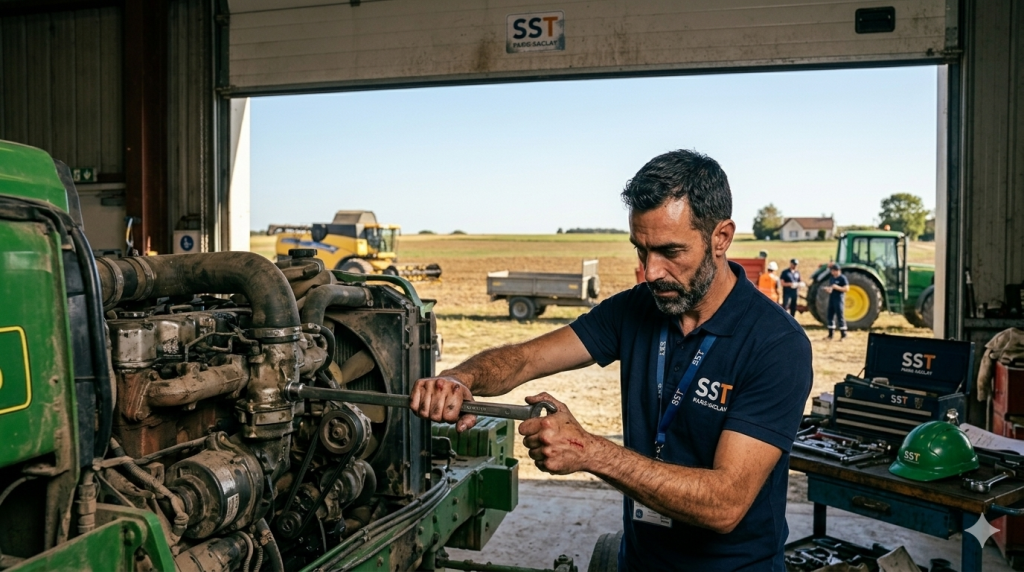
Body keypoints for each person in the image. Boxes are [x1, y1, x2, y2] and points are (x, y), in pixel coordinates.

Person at [409, 150, 813, 571]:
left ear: (721, 237)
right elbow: (526, 359)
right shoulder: (637, 309)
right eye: (641, 250)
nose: (651, 272)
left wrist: (590, 452)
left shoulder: (776, 345)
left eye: (669, 251)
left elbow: (725, 504)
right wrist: (458, 377)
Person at [824, 263, 849, 340]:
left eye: (836, 271)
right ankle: (830, 335)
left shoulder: (842, 278)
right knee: (830, 316)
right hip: (832, 299)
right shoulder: (832, 278)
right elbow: (832, 288)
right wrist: (828, 289)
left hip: (839, 299)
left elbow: (846, 289)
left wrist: (836, 287)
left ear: (839, 271)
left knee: (840, 316)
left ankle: (843, 335)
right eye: (833, 271)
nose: (834, 272)